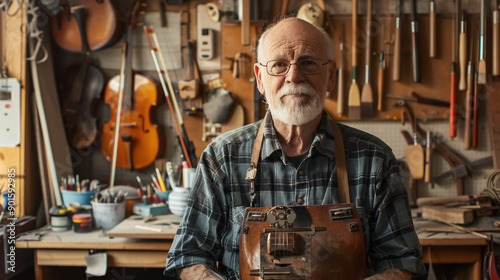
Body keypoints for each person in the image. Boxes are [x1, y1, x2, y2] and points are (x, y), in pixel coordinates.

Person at [164, 17, 426, 280]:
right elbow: (188, 258)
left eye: (308, 62)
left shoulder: (374, 159)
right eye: (279, 65)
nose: (294, 76)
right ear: (260, 78)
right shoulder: (222, 157)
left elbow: (403, 263)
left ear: (331, 76)